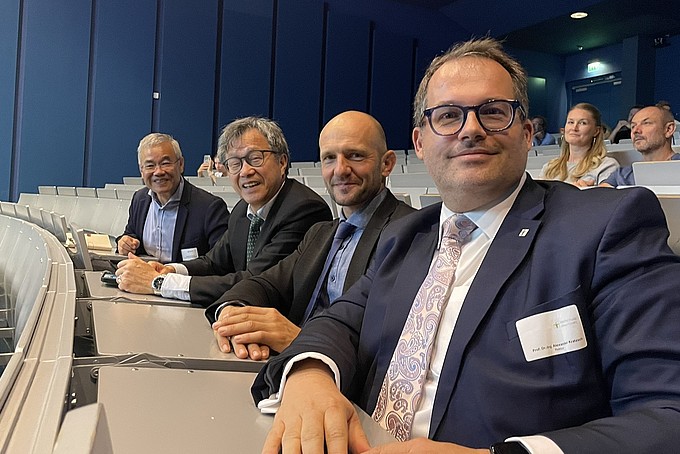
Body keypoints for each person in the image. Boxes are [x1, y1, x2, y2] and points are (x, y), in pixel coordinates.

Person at [253, 37, 680, 453]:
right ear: (420, 143)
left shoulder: (606, 226)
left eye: (494, 112)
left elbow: (666, 414)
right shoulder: (406, 236)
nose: (471, 129)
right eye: (448, 116)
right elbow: (341, 322)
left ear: (527, 133)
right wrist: (309, 374)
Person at [206, 111, 415, 360]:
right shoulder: (321, 232)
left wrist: (299, 339)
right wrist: (232, 312)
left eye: (355, 155)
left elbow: (384, 344)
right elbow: (265, 283)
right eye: (329, 158)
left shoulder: (408, 233)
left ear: (387, 163)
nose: (340, 169)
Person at [115, 117, 332, 307]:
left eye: (255, 158)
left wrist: (158, 283)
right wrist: (169, 270)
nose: (246, 172)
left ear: (282, 161)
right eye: (234, 164)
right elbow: (214, 263)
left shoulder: (304, 210)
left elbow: (253, 281)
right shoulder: (242, 210)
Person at [116, 133, 229, 263]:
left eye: (165, 163)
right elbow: (131, 234)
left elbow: (221, 264)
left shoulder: (210, 207)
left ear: (180, 164)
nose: (158, 172)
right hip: (142, 279)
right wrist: (124, 242)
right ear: (141, 171)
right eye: (150, 165)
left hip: (183, 280)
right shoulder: (139, 199)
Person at [539, 103, 619, 187]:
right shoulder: (549, 167)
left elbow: (608, 198)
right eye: (570, 122)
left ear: (596, 131)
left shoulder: (607, 165)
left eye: (583, 123)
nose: (574, 128)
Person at [600, 105, 679, 187]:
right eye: (633, 126)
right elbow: (601, 194)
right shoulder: (622, 175)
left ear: (668, 129)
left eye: (646, 123)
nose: (635, 131)